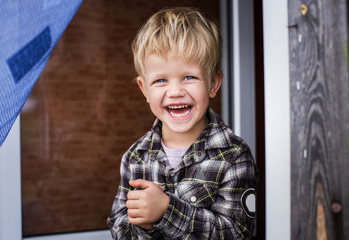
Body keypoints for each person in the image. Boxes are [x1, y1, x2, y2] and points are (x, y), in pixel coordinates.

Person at [107, 7, 258, 239]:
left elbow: (238, 232)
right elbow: (119, 224)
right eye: (160, 80)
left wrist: (167, 212)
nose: (175, 91)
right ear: (144, 89)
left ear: (213, 83)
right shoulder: (135, 157)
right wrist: (145, 225)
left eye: (189, 77)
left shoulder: (234, 155)